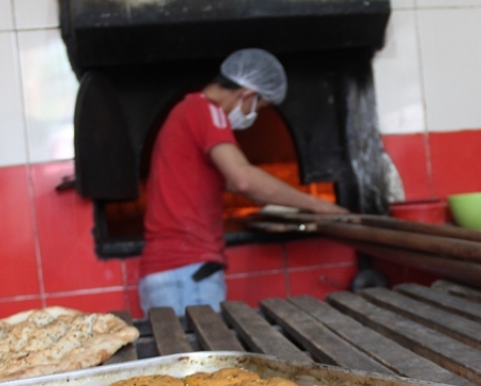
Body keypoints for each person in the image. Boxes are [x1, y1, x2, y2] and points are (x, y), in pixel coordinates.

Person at [138, 48, 347, 316]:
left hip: (174, 274)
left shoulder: (186, 112)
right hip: (186, 274)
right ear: (247, 94)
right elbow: (244, 179)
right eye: (260, 106)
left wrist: (299, 206)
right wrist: (318, 205)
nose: (255, 114)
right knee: (204, 358)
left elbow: (246, 189)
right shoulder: (206, 111)